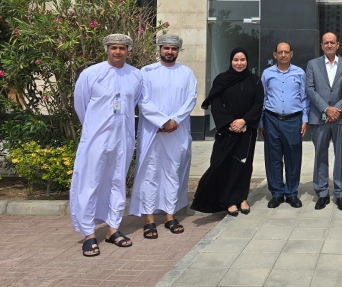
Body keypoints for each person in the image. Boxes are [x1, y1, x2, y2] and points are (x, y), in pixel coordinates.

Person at [70, 33, 143, 257]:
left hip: (123, 137)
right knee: (90, 182)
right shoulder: (91, 73)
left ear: (128, 50)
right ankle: (89, 234)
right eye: (114, 47)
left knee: (117, 181)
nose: (118, 51)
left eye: (122, 48)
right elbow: (81, 104)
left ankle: (113, 228)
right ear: (107, 49)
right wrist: (94, 127)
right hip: (96, 137)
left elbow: (134, 101)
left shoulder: (136, 75)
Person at [130, 34, 197, 237]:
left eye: (173, 49)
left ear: (178, 51)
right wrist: (161, 121)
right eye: (166, 48)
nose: (169, 52)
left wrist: (174, 120)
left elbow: (191, 98)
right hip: (153, 131)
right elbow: (143, 100)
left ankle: (170, 215)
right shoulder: (146, 72)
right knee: (150, 172)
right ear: (159, 49)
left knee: (173, 172)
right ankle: (149, 218)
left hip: (178, 130)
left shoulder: (186, 72)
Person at [192, 47, 264, 216]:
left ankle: (242, 198)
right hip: (227, 131)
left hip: (247, 131)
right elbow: (216, 104)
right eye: (236, 60)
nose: (239, 63)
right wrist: (231, 123)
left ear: (247, 61)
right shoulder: (221, 79)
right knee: (224, 164)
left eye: (242, 60)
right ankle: (228, 201)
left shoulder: (254, 80)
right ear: (231, 61)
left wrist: (244, 121)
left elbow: (258, 103)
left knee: (243, 165)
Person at [260, 42, 309, 208]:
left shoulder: (299, 73)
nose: (283, 55)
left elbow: (304, 98)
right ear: (275, 55)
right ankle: (277, 193)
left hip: (293, 120)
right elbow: (262, 98)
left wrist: (304, 119)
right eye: (280, 52)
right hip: (271, 119)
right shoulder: (267, 73)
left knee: (293, 157)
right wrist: (261, 122)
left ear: (291, 54)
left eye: (286, 52)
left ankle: (291, 193)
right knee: (273, 157)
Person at [306, 32, 342, 210]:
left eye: (332, 42)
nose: (329, 45)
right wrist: (326, 108)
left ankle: (340, 194)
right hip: (320, 117)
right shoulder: (312, 64)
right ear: (322, 45)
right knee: (320, 156)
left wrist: (337, 109)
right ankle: (322, 193)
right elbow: (310, 89)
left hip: (341, 117)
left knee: (341, 157)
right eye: (326, 43)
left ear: (338, 44)